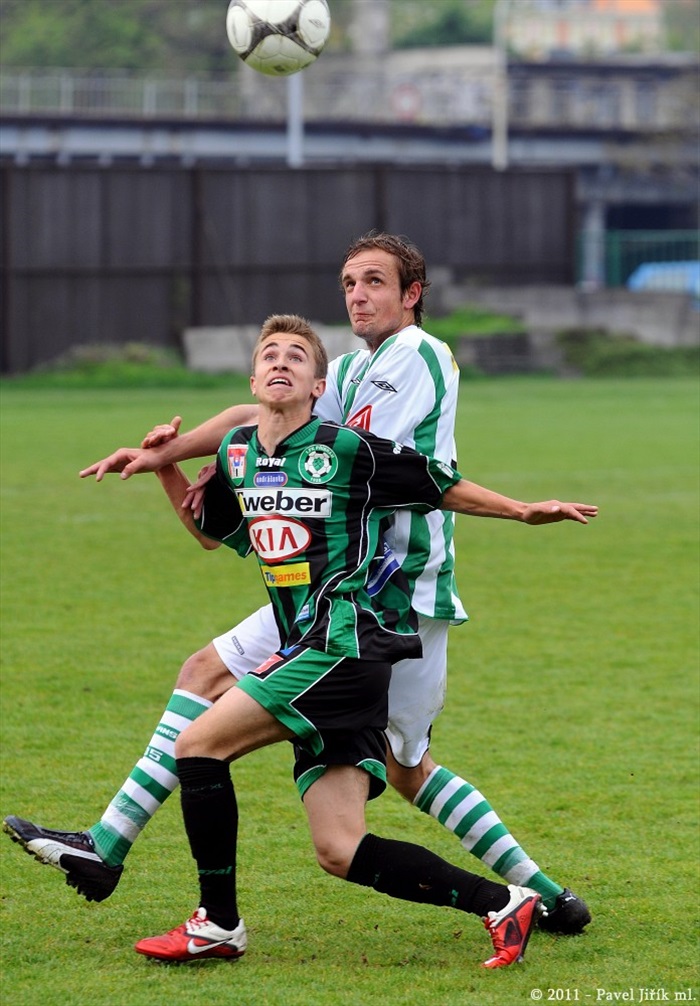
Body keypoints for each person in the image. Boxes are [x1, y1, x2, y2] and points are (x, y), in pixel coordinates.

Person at [4, 232, 591, 934]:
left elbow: (357, 457)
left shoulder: (417, 358)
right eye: (348, 283)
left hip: (393, 590)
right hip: (332, 589)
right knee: (208, 674)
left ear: (412, 296)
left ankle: (540, 895)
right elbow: (255, 418)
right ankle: (108, 845)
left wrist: (521, 511)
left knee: (407, 770)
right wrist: (171, 452)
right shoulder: (346, 369)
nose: (357, 295)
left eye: (374, 282)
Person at [129, 314, 595, 964]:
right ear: (253, 377)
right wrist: (163, 469)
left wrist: (521, 509)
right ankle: (503, 903)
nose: (281, 362)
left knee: (198, 744)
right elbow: (220, 536)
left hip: (338, 646)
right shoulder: (238, 451)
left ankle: (217, 923)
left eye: (297, 355)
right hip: (313, 651)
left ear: (319, 385)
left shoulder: (344, 448)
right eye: (270, 354)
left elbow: (436, 484)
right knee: (339, 849)